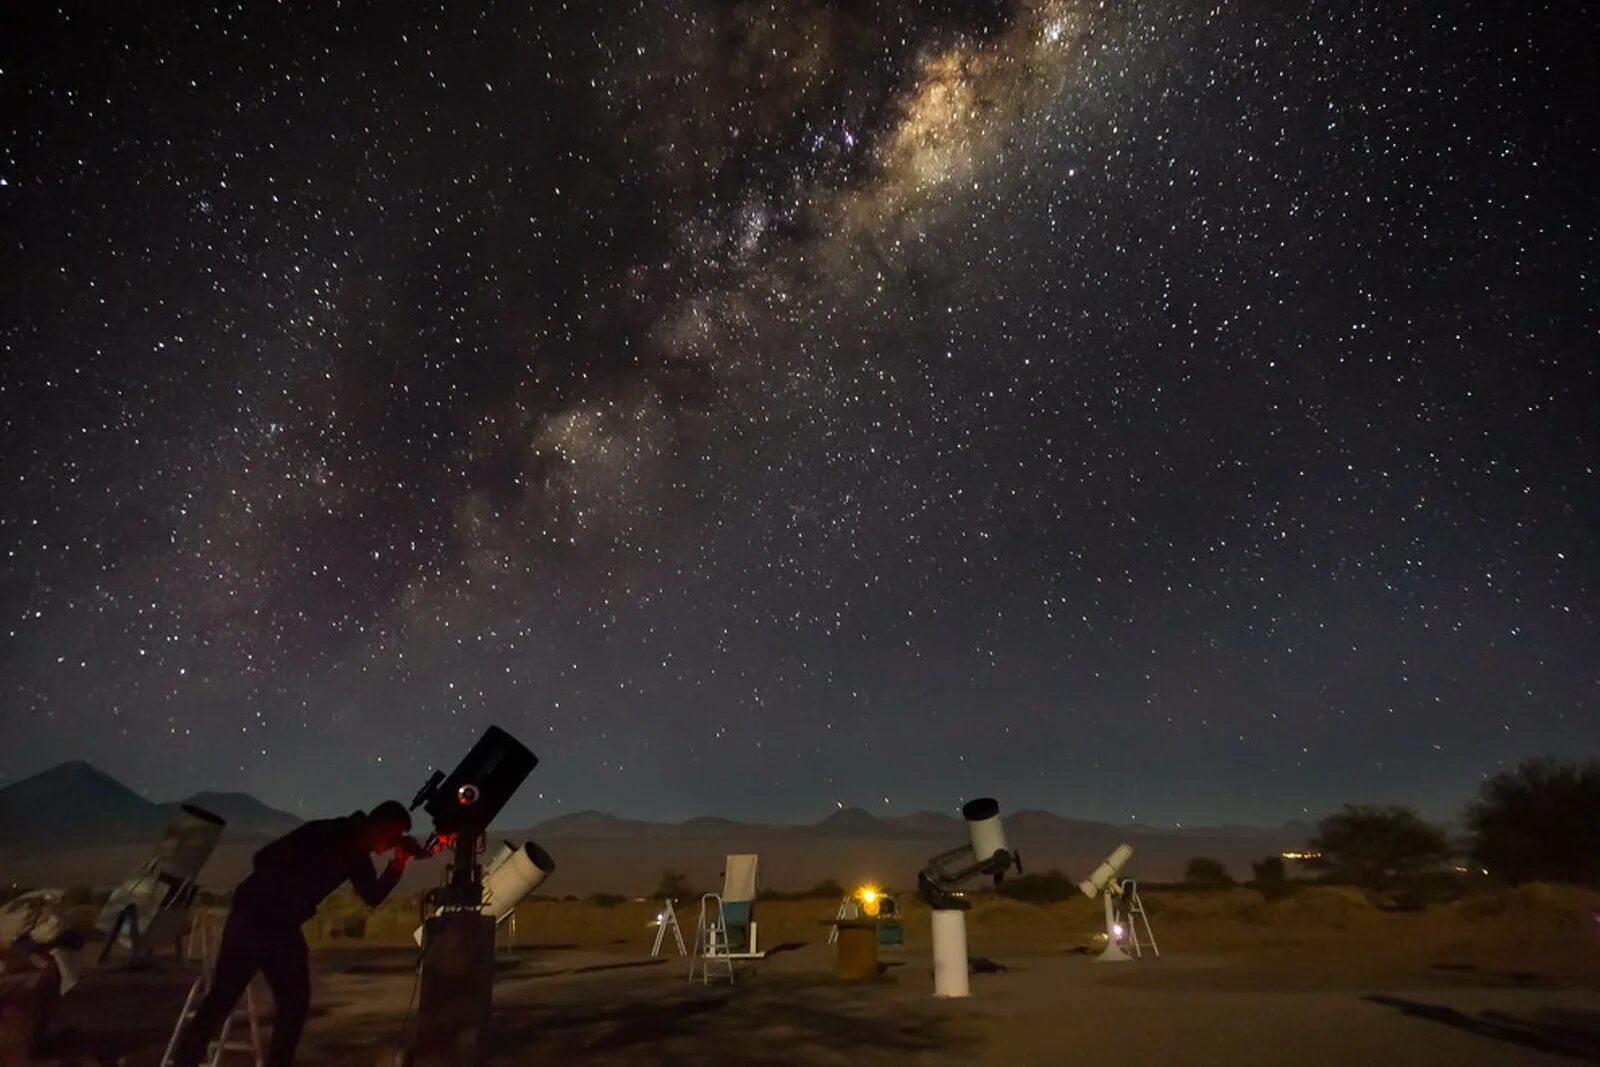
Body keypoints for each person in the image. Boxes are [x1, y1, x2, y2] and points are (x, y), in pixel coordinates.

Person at [173, 801, 427, 1067]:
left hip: (284, 926)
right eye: (393, 835)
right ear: (380, 826)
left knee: (294, 1004)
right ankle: (185, 1062)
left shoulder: (358, 858)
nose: (392, 843)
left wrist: (399, 863)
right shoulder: (328, 832)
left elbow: (372, 896)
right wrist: (289, 893)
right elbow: (264, 858)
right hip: (255, 915)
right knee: (223, 996)